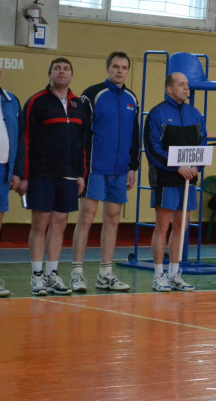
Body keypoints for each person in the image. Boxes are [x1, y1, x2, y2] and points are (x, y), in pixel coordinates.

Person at [70, 52, 139, 292]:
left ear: (128, 71)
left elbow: (134, 135)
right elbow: (80, 135)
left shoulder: (132, 99)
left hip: (120, 170)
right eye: (116, 66)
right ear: (108, 68)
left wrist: (132, 167)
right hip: (94, 168)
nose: (120, 71)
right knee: (86, 217)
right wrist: (80, 168)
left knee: (113, 218)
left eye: (124, 67)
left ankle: (105, 274)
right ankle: (77, 273)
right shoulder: (92, 95)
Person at [20, 58, 88, 296]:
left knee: (59, 224)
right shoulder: (36, 102)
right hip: (41, 174)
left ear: (71, 76)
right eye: (57, 69)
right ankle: (37, 275)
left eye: (66, 69)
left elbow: (82, 143)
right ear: (49, 74)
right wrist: (24, 175)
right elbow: (25, 139)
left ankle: (52, 274)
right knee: (40, 223)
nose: (62, 72)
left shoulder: (78, 104)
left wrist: (80, 175)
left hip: (69, 176)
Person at [144, 72, 207, 292]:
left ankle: (174, 274)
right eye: (181, 84)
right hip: (166, 178)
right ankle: (158, 275)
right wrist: (177, 167)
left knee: (182, 226)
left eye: (187, 84)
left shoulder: (195, 114)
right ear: (169, 89)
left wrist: (196, 167)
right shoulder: (157, 114)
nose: (186, 88)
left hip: (188, 179)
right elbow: (153, 148)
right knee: (162, 226)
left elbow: (203, 142)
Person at [0, 60, 24, 297]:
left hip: (1, 171)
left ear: (0, 73)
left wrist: (16, 171)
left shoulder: (11, 100)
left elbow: (20, 138)